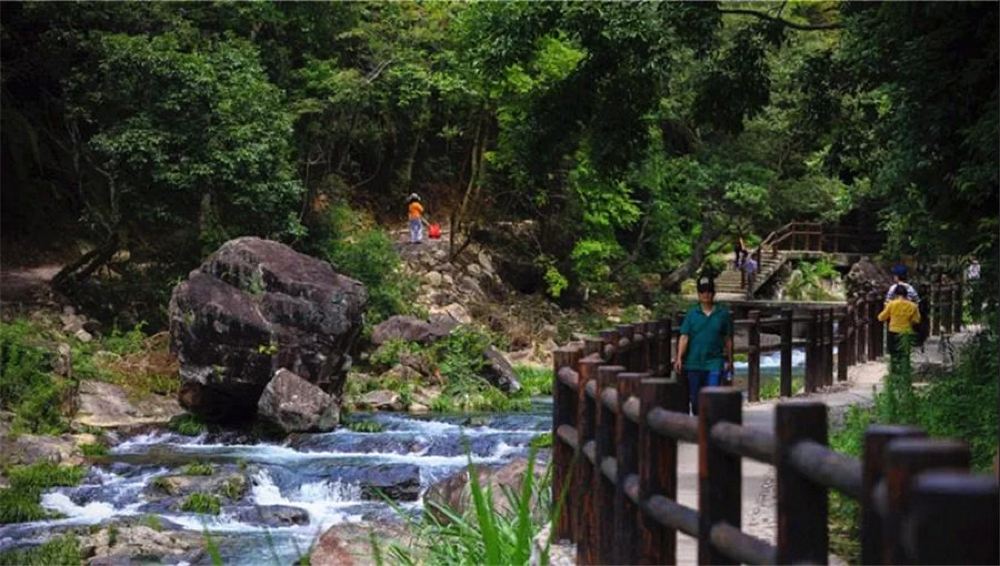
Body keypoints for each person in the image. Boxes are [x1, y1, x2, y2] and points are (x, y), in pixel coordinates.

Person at [674, 276, 734, 415]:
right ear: (698, 294)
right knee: (695, 400)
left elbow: (727, 338)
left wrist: (730, 360)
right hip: (693, 363)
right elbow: (684, 336)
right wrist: (679, 358)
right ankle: (698, 426)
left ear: (713, 293)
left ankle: (708, 429)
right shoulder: (691, 314)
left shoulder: (722, 314)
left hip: (714, 362)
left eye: (708, 291)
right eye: (702, 291)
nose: (705, 294)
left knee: (712, 396)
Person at [878, 284, 921, 360]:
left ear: (895, 294)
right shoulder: (913, 306)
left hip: (893, 332)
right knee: (905, 355)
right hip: (906, 332)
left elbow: (881, 317)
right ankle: (904, 370)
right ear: (906, 294)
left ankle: (894, 370)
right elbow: (916, 320)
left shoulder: (891, 304)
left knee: (894, 355)